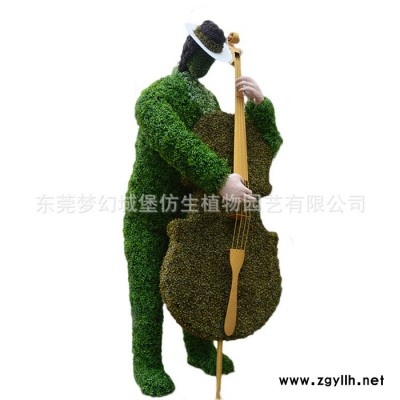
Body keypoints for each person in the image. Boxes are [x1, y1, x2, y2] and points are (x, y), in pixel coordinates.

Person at [123, 20, 282, 397]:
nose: (206, 66)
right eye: (204, 57)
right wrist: (219, 179)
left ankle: (197, 350)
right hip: (149, 214)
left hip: (194, 211)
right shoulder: (155, 97)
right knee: (147, 293)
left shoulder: (208, 101)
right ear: (189, 53)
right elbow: (176, 142)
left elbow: (251, 150)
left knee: (198, 280)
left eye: (213, 59)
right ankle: (147, 362)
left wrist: (260, 108)